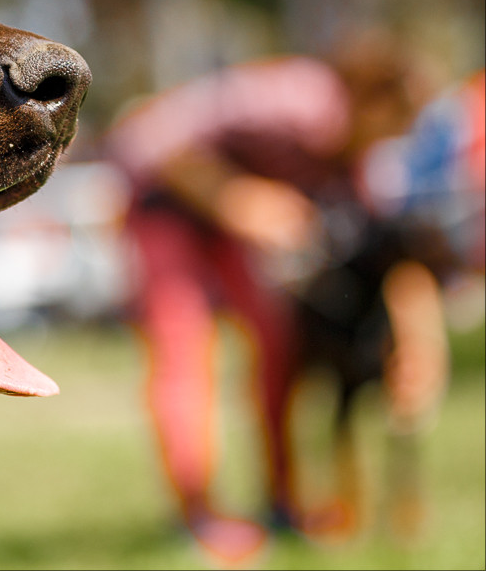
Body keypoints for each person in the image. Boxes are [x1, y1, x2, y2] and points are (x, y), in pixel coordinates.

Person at [105, 32, 432, 564]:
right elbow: (145, 134)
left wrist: (414, 346)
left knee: (278, 345)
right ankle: (198, 514)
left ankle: (282, 503)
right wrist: (237, 197)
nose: (392, 144)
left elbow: (393, 255)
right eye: (395, 126)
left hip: (229, 225)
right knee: (184, 351)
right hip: (164, 202)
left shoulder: (357, 161)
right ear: (374, 100)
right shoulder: (301, 100)